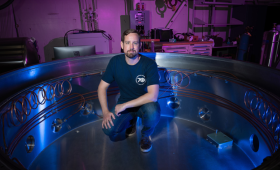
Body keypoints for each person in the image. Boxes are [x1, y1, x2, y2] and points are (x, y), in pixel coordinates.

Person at [97, 29, 161, 153]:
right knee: (108, 130)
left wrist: (125, 105)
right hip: (125, 104)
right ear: (122, 45)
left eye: (135, 43)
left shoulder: (149, 64)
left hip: (145, 104)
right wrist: (105, 112)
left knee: (153, 111)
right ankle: (131, 123)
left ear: (140, 45)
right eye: (127, 43)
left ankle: (146, 135)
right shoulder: (115, 62)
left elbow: (153, 96)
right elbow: (101, 87)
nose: (131, 47)